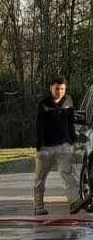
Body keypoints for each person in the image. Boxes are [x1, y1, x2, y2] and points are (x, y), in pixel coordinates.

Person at [34, 76, 80, 216]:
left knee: (67, 174)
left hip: (64, 146)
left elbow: (71, 122)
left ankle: (74, 202)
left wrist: (72, 140)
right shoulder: (43, 104)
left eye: (62, 89)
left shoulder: (68, 101)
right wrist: (39, 146)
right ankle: (38, 206)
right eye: (57, 89)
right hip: (46, 147)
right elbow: (39, 126)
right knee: (40, 178)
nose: (59, 92)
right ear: (51, 88)